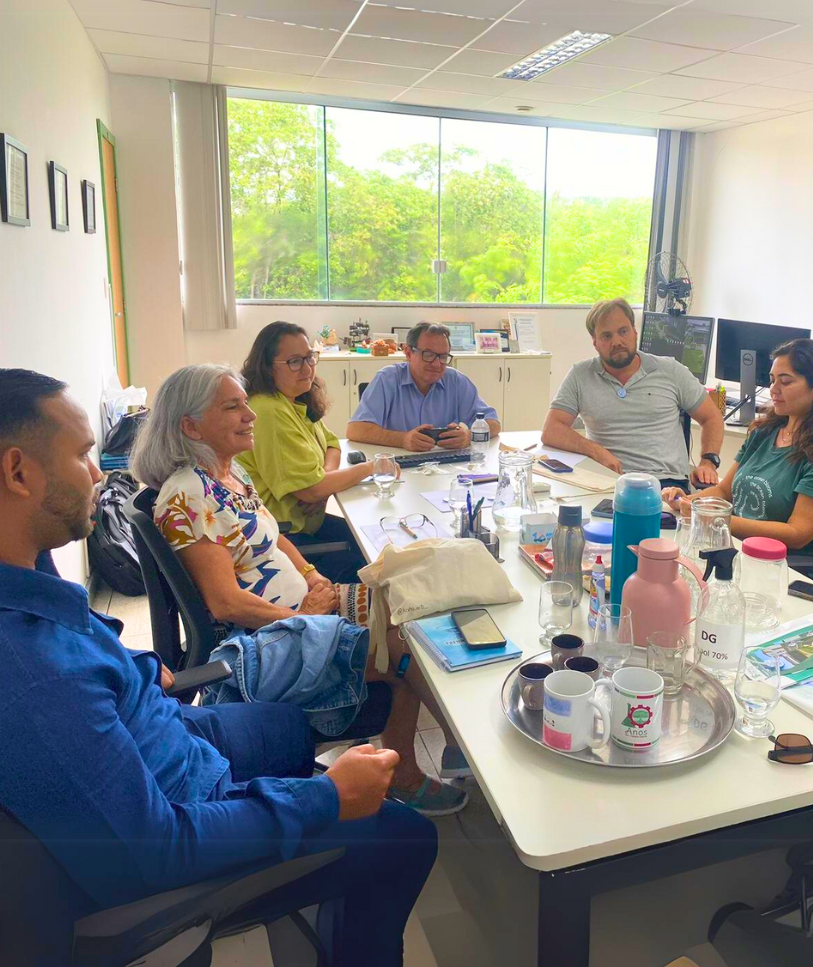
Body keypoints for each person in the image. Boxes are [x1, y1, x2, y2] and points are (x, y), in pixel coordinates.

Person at [0, 368, 436, 966]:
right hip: (186, 807)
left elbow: (87, 648)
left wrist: (136, 669)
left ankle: (323, 862)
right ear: (18, 472)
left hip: (172, 736)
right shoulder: (31, 679)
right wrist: (326, 800)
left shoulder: (29, 574)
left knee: (289, 729)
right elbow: (157, 851)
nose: (100, 475)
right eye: (82, 455)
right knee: (407, 836)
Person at [131, 364, 469, 817]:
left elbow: (274, 537)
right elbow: (225, 602)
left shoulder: (228, 477)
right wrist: (306, 616)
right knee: (403, 644)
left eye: (245, 402)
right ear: (190, 426)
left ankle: (428, 758)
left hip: (303, 611)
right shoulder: (188, 495)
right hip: (269, 639)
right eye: (233, 407)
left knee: (411, 609)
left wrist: (310, 574)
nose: (250, 415)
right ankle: (438, 757)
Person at [662, 338, 813, 564]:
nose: (773, 390)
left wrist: (716, 520)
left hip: (780, 569)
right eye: (772, 380)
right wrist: (688, 501)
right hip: (733, 550)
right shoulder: (766, 432)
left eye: (786, 382)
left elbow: (797, 534)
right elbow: (724, 491)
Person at [542, 298, 725, 491]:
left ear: (634, 331)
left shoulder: (670, 370)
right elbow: (551, 430)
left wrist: (708, 461)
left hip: (665, 485)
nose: (617, 342)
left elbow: (712, 417)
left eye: (623, 331)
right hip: (608, 482)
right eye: (606, 336)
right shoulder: (581, 374)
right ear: (595, 342)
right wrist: (595, 450)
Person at [238, 321, 367, 583]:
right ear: (267, 367)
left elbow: (332, 444)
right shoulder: (269, 411)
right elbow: (309, 491)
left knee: (373, 538)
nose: (307, 368)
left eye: (309, 357)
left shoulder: (293, 400)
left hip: (305, 525)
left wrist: (323, 482)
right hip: (281, 541)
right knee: (375, 564)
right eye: (295, 361)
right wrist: (371, 468)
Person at [346, 322, 500, 452]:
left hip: (445, 467)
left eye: (443, 357)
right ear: (408, 353)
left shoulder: (456, 381)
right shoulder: (387, 379)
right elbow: (355, 430)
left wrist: (469, 436)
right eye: (428, 354)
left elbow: (493, 423)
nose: (436, 364)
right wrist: (403, 439)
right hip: (400, 465)